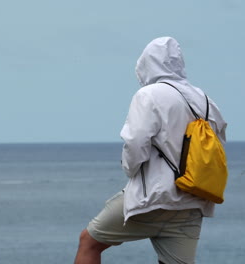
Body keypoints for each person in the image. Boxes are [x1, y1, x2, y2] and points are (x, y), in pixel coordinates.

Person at [74, 37, 227, 264]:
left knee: (89, 243)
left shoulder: (149, 95)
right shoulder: (205, 100)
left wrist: (129, 169)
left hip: (152, 199)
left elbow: (135, 144)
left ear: (146, 63)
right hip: (192, 201)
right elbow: (218, 144)